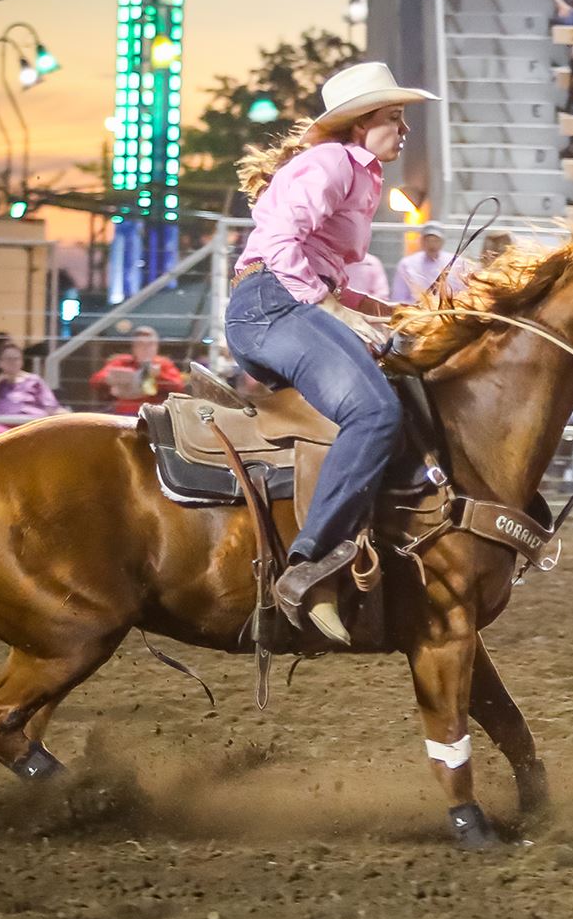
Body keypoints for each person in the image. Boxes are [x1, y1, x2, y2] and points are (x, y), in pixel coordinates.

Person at [226, 62, 426, 630]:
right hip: (271, 307)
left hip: (279, 305)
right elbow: (279, 242)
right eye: (395, 117)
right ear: (362, 124)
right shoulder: (334, 162)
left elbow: (324, 274)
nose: (405, 129)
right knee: (375, 412)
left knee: (398, 387)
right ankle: (310, 562)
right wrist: (333, 308)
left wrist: (387, 310)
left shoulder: (356, 173)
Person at [0, 342, 65, 440]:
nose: (13, 362)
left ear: (22, 361)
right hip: (3, 426)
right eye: (8, 359)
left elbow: (51, 407)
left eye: (16, 359)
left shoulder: (35, 380)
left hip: (32, 424)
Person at [90, 323, 185, 415]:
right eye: (140, 344)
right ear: (134, 347)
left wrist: (159, 376)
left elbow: (178, 386)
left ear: (156, 347)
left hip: (153, 413)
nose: (145, 348)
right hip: (122, 411)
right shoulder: (121, 362)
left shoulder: (164, 364)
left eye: (150, 344)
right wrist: (109, 379)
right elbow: (96, 379)